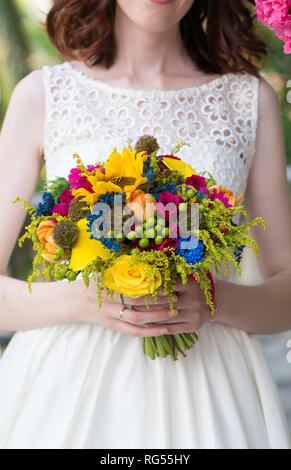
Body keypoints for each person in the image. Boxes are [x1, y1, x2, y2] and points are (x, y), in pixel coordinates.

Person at [0, 0, 290, 449]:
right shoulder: (42, 94)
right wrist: (89, 299)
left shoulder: (248, 99)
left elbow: (287, 290)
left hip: (211, 394)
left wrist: (214, 302)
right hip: (64, 394)